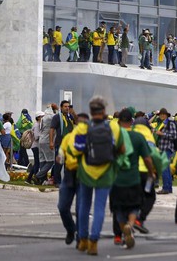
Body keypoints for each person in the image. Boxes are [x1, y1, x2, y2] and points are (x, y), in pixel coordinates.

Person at [69, 96, 125, 256]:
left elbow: (75, 150)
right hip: (106, 172)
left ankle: (83, 240)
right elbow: (122, 149)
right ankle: (94, 242)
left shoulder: (82, 128)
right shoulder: (114, 128)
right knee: (100, 207)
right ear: (104, 111)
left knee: (84, 206)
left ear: (90, 111)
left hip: (86, 172)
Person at [111, 109, 156, 249]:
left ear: (118, 122)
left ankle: (123, 229)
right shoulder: (138, 137)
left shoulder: (114, 138)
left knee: (118, 209)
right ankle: (130, 226)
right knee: (134, 206)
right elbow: (147, 159)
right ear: (132, 122)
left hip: (117, 180)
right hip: (134, 179)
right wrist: (151, 172)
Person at [56, 117, 80, 246]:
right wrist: (61, 158)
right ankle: (71, 230)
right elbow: (60, 156)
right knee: (62, 207)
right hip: (70, 174)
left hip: (84, 175)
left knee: (81, 208)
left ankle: (81, 237)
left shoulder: (90, 138)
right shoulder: (68, 138)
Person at [150, 108, 177, 195]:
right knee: (167, 168)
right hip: (163, 148)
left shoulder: (170, 123)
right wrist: (154, 131)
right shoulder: (161, 124)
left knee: (164, 168)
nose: (161, 115)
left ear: (166, 115)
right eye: (160, 114)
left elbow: (174, 136)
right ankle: (168, 188)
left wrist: (162, 134)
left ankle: (165, 188)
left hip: (167, 148)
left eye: (163, 114)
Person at [49, 100, 75, 187]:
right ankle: (57, 181)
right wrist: (51, 142)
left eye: (68, 106)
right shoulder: (57, 117)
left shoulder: (70, 117)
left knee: (68, 164)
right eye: (65, 106)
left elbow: (78, 122)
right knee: (59, 164)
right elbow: (52, 129)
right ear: (61, 107)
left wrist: (73, 112)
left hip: (69, 145)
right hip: (60, 144)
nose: (67, 108)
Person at [25, 111, 44, 184]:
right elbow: (36, 137)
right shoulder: (36, 125)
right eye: (42, 117)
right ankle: (34, 178)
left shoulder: (38, 125)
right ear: (38, 117)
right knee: (37, 163)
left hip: (36, 146)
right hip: (36, 146)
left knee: (37, 163)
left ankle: (29, 179)